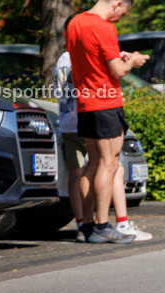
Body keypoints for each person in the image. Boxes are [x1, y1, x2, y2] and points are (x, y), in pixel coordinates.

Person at [65, 0, 150, 243]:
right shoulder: (105, 28)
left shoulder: (75, 24)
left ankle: (87, 226)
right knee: (108, 163)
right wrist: (132, 61)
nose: (119, 19)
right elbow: (117, 72)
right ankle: (102, 226)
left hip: (85, 104)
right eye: (122, 13)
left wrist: (118, 56)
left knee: (91, 165)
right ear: (115, 4)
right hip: (106, 103)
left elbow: (90, 58)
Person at [56, 50, 151, 242]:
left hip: (67, 122)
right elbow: (97, 75)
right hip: (89, 117)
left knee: (77, 174)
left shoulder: (62, 59)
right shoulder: (81, 57)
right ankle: (120, 224)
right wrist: (126, 61)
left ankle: (83, 225)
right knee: (113, 167)